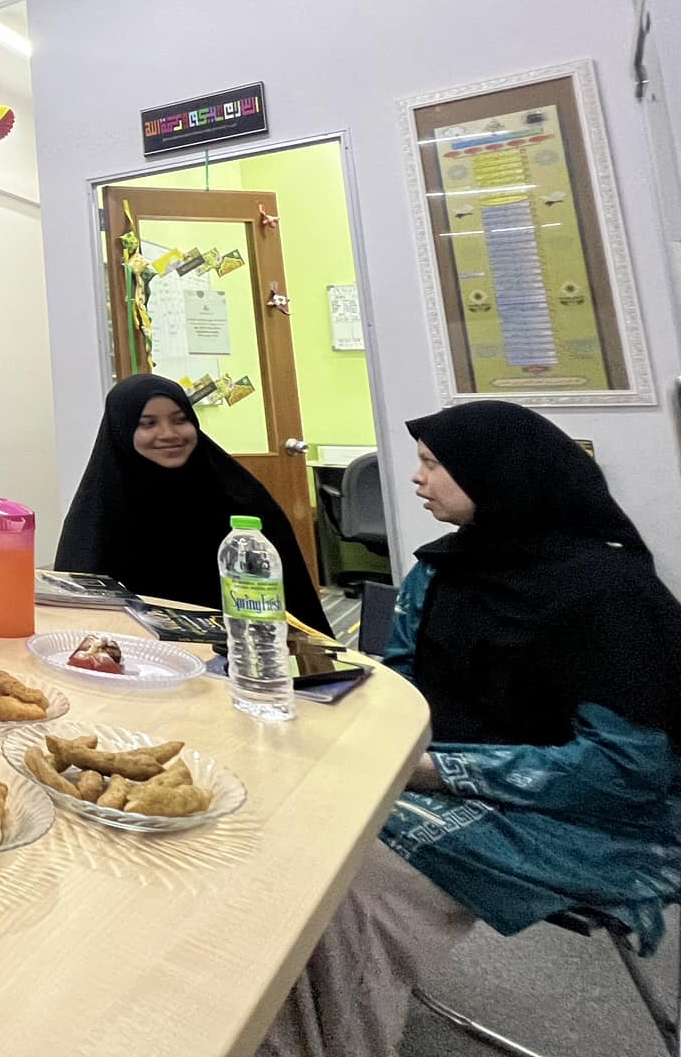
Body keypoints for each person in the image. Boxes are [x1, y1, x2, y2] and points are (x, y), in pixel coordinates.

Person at [258, 400, 681, 1057]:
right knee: (286, 822)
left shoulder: (609, 591)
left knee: (340, 879)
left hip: (590, 815)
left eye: (433, 464)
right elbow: (401, 687)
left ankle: (327, 1032)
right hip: (433, 771)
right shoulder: (439, 569)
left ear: (497, 474)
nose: (417, 478)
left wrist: (436, 769)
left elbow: (628, 768)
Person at [54, 373, 331, 635]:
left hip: (238, 649)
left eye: (180, 420)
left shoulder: (240, 498)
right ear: (122, 430)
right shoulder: (98, 511)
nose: (168, 433)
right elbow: (77, 611)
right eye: (148, 423)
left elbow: (293, 603)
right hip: (132, 653)